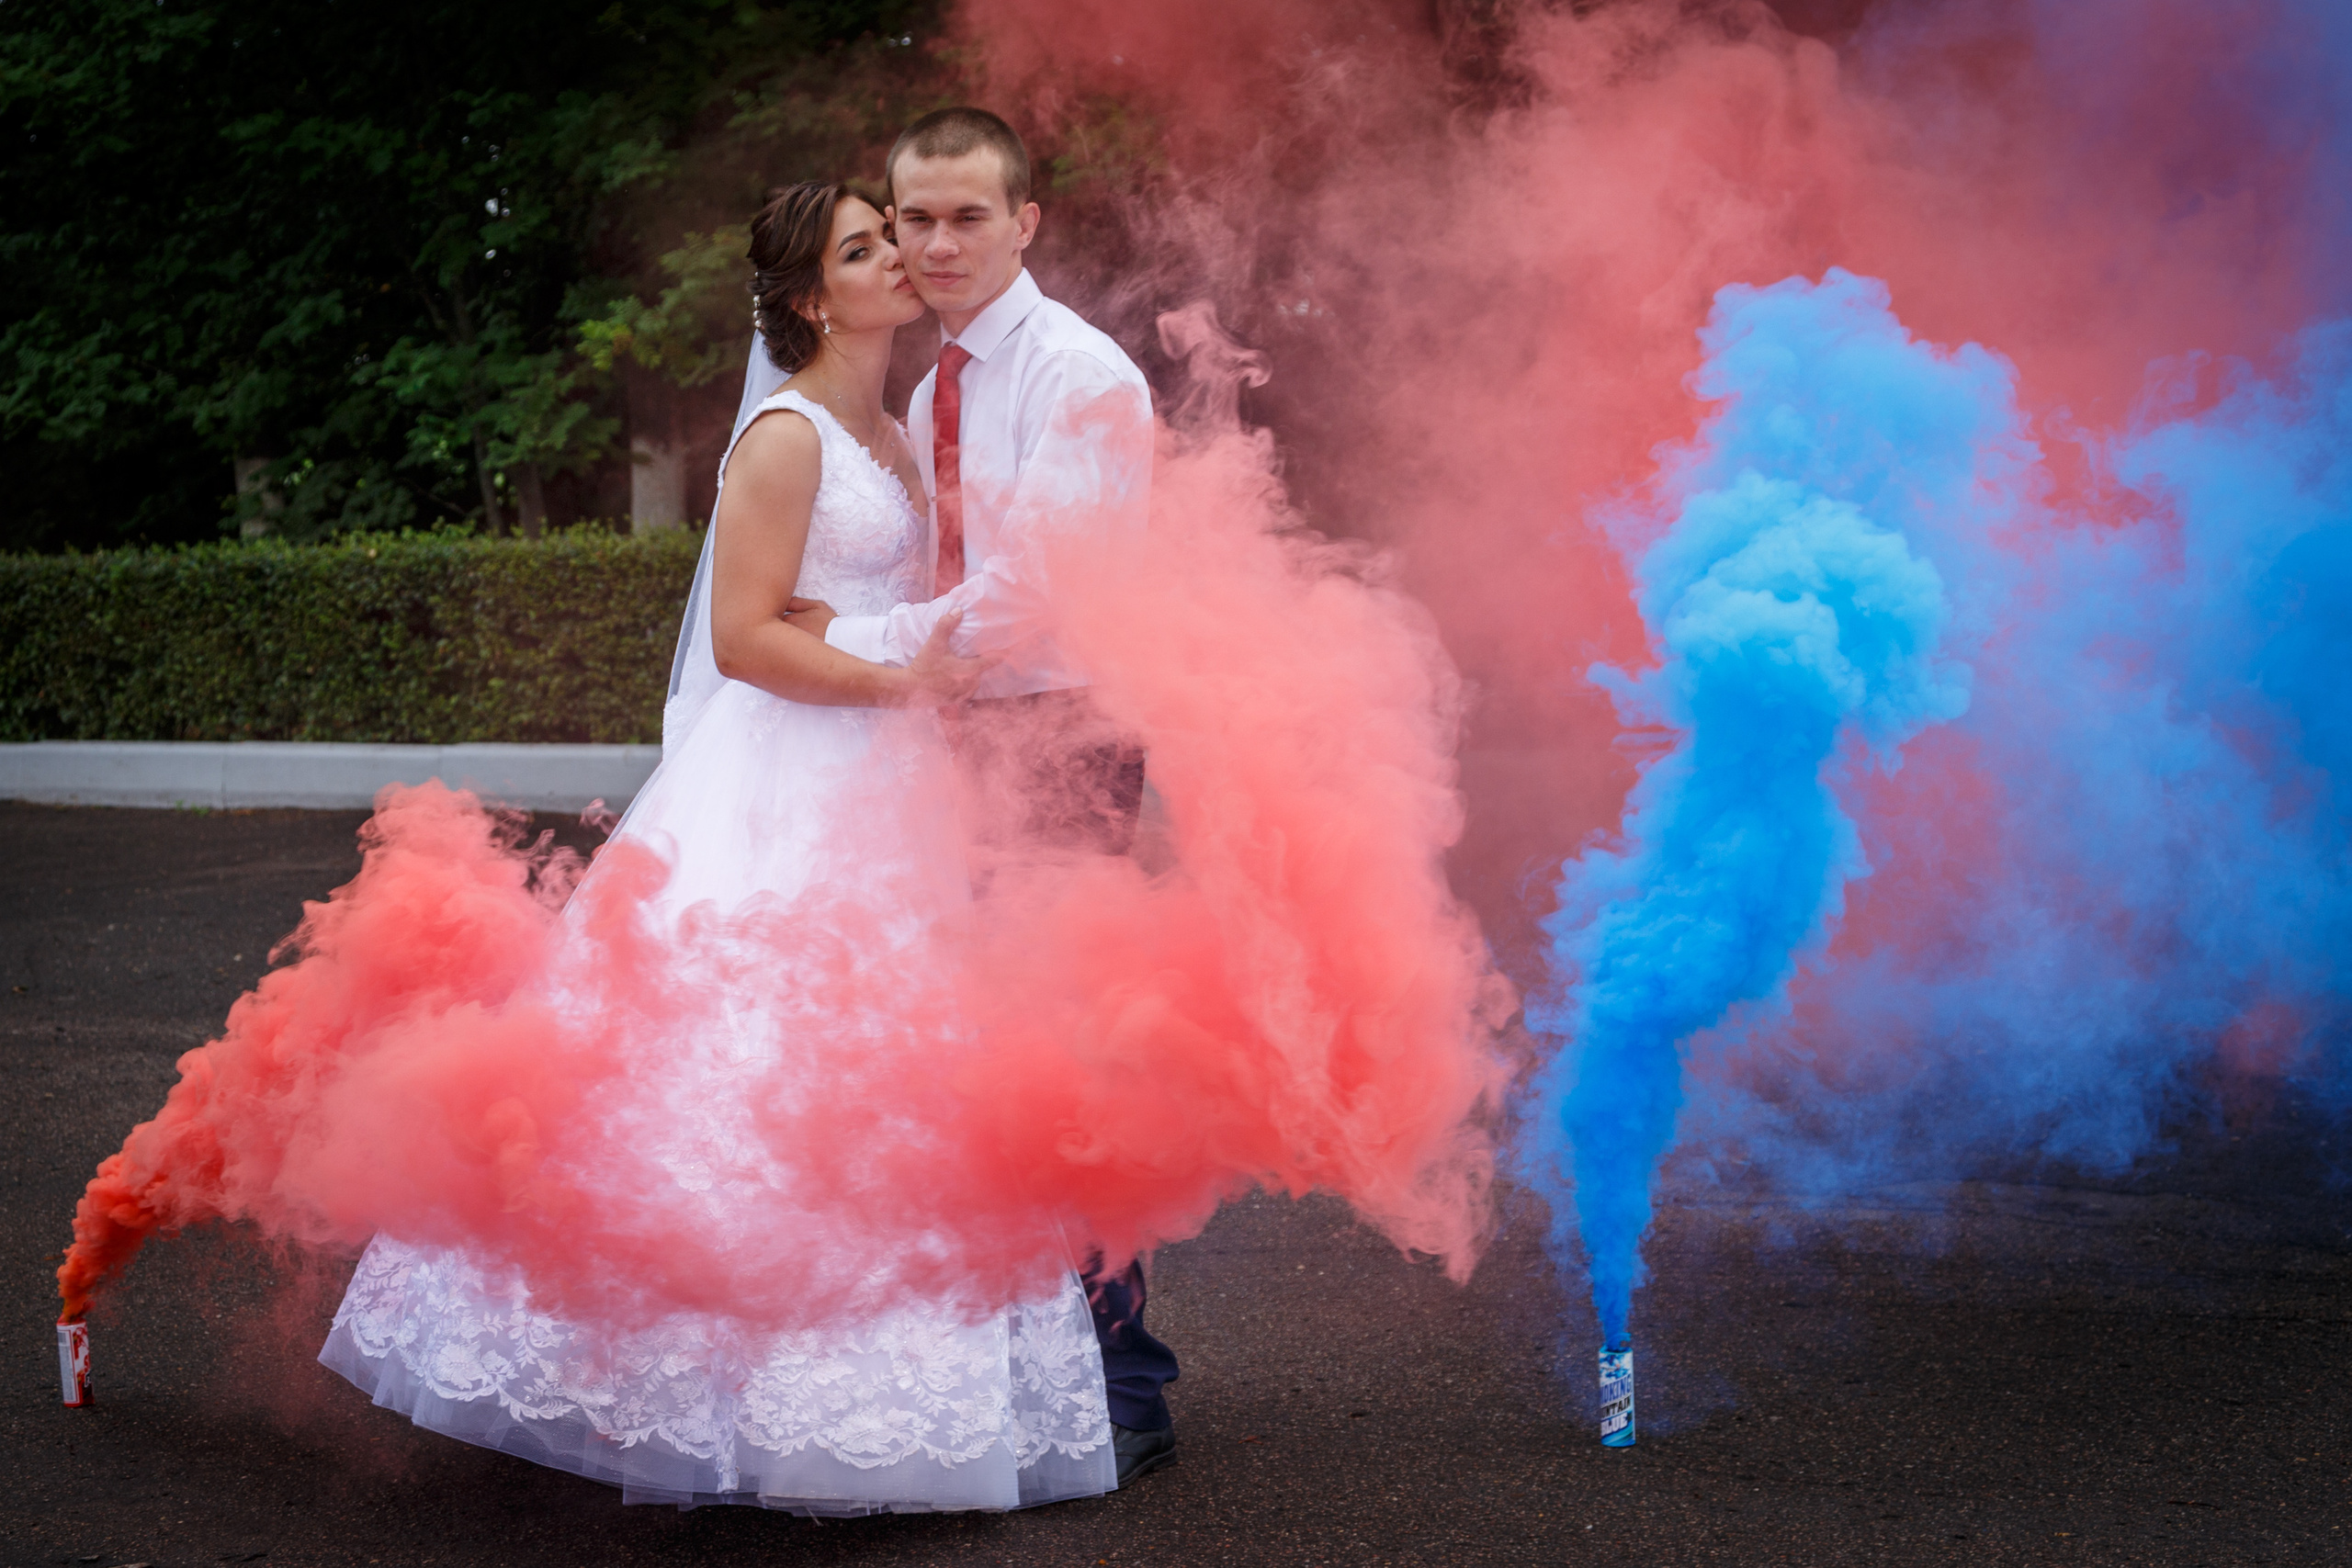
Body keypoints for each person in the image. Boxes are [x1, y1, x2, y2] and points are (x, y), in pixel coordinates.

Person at [318, 182, 1119, 1516]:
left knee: (897, 1070)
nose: (899, 261)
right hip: (795, 778)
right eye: (864, 249)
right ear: (812, 298)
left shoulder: (898, 426)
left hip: (891, 787)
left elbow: (882, 604)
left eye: (892, 237)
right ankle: (693, 1384)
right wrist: (896, 675)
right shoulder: (789, 435)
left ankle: (871, 1391)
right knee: (741, 1063)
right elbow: (747, 643)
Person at [782, 107, 1179, 1486]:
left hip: (1055, 739)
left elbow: (1028, 595)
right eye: (914, 221)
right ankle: (996, 1361)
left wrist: (850, 656)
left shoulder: (1082, 378)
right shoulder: (922, 379)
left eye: (966, 217)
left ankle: (1123, 1378)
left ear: (1027, 223)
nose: (937, 244)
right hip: (938, 738)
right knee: (947, 1054)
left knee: (1059, 1058)